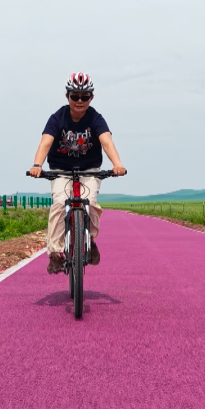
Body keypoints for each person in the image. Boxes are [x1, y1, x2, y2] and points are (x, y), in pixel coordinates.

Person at [29, 73, 127, 274]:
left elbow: (106, 141)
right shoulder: (57, 118)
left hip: (89, 170)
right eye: (75, 96)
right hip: (61, 171)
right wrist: (37, 164)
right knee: (59, 203)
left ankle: (89, 240)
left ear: (91, 97)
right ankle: (55, 253)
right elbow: (45, 142)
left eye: (85, 96)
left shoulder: (95, 118)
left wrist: (117, 164)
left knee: (90, 202)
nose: (79, 101)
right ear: (67, 96)